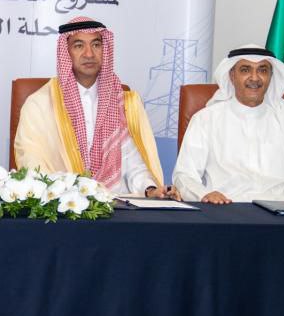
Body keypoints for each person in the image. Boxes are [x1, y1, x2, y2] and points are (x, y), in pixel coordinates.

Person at [13, 16, 174, 197]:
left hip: (117, 203)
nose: (89, 54)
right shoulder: (39, 105)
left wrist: (149, 189)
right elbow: (32, 163)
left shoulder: (121, 102)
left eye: (96, 45)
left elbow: (132, 162)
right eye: (79, 46)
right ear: (66, 52)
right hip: (62, 203)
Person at [172, 44, 284, 204]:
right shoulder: (206, 119)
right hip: (226, 208)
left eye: (262, 70)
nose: (254, 78)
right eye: (245, 70)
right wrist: (204, 194)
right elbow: (185, 175)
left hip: (280, 208)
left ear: (271, 76)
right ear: (232, 76)